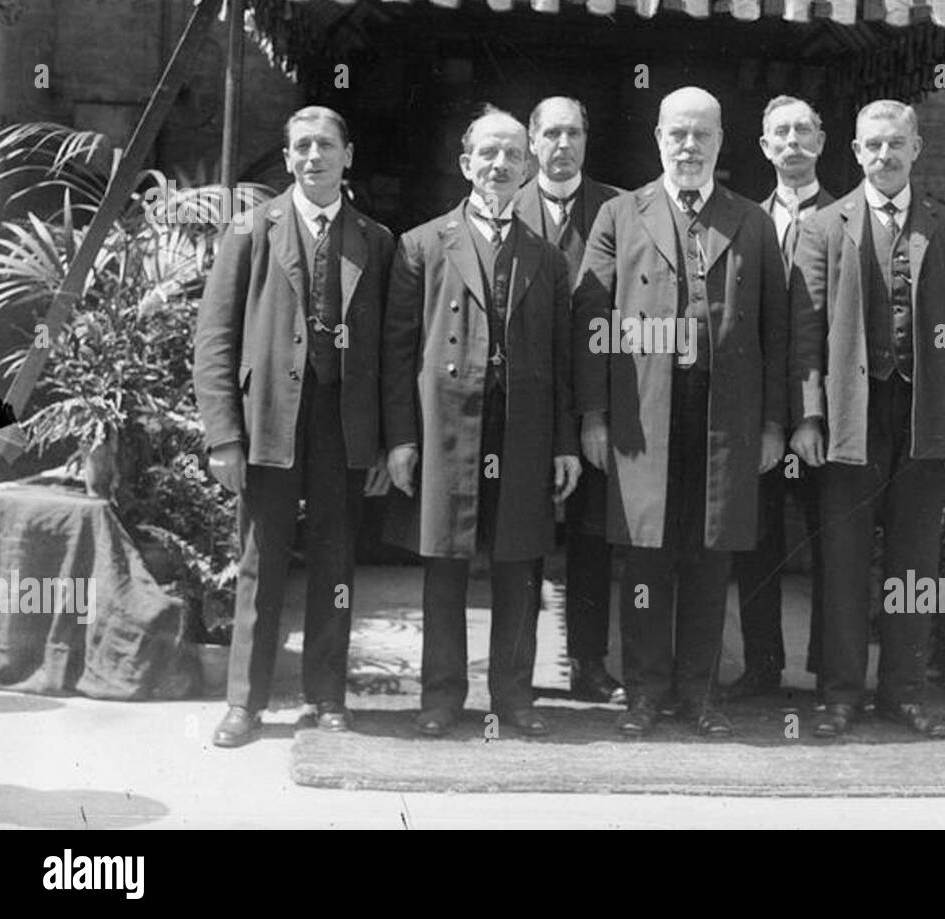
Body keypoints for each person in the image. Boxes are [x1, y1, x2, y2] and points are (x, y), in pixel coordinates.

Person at [574, 86, 788, 737]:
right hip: (644, 415)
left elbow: (776, 331)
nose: (689, 146)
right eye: (678, 134)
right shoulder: (619, 213)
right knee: (645, 556)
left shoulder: (752, 219)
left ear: (722, 141)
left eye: (702, 134)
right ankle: (644, 691)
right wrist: (593, 415)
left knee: (708, 556)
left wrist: (774, 422)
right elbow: (590, 320)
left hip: (724, 415)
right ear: (658, 138)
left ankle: (698, 692)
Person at [790, 98, 945, 739]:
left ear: (916, 149)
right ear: (854, 152)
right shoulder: (824, 226)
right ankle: (841, 694)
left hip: (925, 418)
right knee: (846, 561)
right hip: (851, 418)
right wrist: (809, 417)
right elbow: (807, 332)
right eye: (872, 145)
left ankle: (904, 693)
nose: (884, 155)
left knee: (915, 567)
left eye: (896, 144)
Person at [194, 105, 394, 748]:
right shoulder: (252, 231)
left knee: (337, 563)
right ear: (286, 159)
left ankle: (327, 697)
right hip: (267, 426)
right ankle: (244, 703)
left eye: (326, 146)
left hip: (343, 425)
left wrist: (389, 442)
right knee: (261, 561)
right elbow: (215, 340)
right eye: (302, 147)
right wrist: (223, 437)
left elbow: (393, 352)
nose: (314, 157)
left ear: (348, 155)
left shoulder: (375, 240)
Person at [382, 106, 580, 739]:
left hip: (521, 430)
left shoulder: (547, 259)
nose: (500, 165)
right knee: (444, 563)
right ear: (466, 164)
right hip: (446, 430)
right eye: (488, 154)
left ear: (526, 169)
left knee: (520, 565)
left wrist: (564, 443)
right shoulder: (421, 246)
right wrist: (402, 439)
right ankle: (441, 696)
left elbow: (562, 359)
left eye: (512, 156)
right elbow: (397, 351)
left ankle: (514, 697)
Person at [511, 96, 623, 704]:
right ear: (532, 141)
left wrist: (597, 412)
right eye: (550, 133)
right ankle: (518, 665)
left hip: (593, 401)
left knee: (592, 539)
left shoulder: (619, 208)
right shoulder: (506, 204)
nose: (562, 144)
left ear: (586, 139)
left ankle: (589, 663)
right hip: (525, 403)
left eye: (573, 132)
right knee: (522, 535)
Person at [726, 95, 833, 701]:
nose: (792, 142)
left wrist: (813, 411)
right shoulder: (746, 221)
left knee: (830, 541)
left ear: (820, 138)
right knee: (758, 539)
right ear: (765, 148)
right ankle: (762, 665)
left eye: (802, 130)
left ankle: (827, 674)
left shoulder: (847, 215)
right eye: (779, 134)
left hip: (825, 413)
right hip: (763, 412)